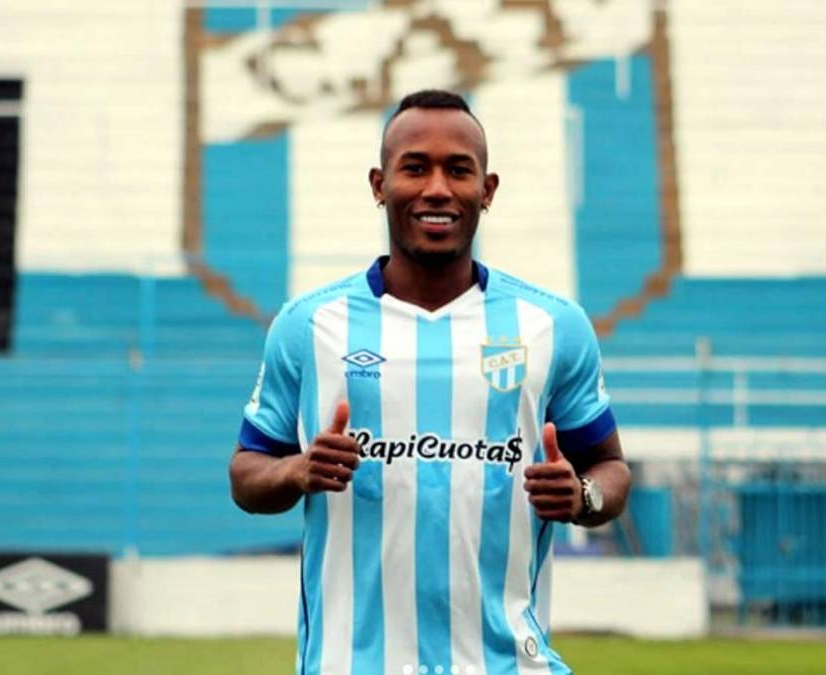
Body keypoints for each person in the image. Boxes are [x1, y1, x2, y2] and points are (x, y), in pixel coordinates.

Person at [229, 89, 631, 675]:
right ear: (379, 184)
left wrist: (583, 497)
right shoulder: (308, 325)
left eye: (458, 170)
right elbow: (246, 473)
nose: (437, 189)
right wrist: (296, 470)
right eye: (415, 167)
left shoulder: (553, 326)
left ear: (487, 190)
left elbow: (611, 468)